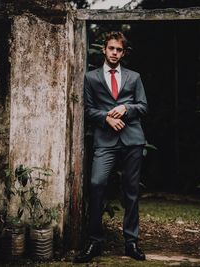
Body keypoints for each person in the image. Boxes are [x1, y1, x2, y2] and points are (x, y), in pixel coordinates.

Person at [73, 31, 148, 263]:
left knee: (131, 190)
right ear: (104, 50)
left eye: (119, 50)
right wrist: (106, 117)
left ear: (123, 53)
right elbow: (88, 109)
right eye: (111, 48)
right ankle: (95, 241)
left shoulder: (134, 77)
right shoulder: (91, 78)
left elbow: (143, 106)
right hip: (105, 140)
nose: (115, 53)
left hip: (132, 139)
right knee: (96, 183)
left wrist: (126, 108)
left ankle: (131, 242)